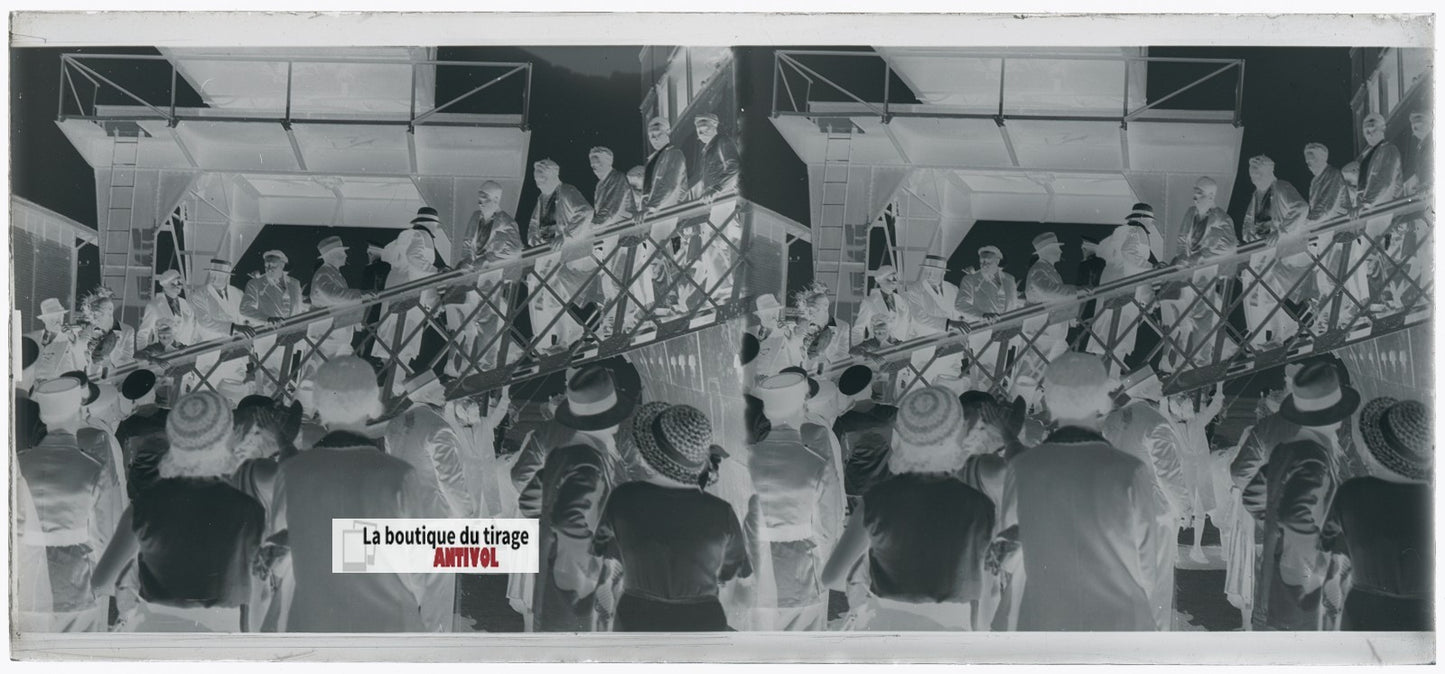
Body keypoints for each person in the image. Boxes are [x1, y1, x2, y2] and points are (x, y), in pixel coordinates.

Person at [263, 355, 448, 632]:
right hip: (384, 624)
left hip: (313, 623)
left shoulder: (294, 471)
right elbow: (418, 573)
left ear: (319, 407)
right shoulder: (399, 475)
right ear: (374, 406)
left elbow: (277, 557)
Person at [1000, 353, 1164, 630]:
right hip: (1115, 621)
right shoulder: (1131, 471)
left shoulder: (1022, 468)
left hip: (1046, 622)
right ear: (1103, 401)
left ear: (1049, 403)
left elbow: (1008, 555)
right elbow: (1147, 567)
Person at [90, 391, 264, 632]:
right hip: (218, 634)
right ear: (225, 440)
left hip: (152, 629)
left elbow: (101, 583)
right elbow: (255, 600)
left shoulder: (145, 504)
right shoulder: (248, 509)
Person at [823, 386, 994, 631]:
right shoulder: (978, 505)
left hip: (887, 627)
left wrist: (869, 586)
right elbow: (986, 595)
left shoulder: (877, 499)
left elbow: (832, 577)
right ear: (957, 435)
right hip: (948, 631)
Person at [591, 403, 751, 631]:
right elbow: (734, 583)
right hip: (702, 625)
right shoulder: (721, 512)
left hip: (637, 622)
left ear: (649, 456)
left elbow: (603, 560)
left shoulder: (622, 498)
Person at [1241, 361, 1359, 631]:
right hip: (1303, 586)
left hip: (1276, 576)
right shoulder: (1315, 456)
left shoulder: (1288, 449)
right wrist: (1321, 567)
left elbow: (1252, 496)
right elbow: (1295, 514)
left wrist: (1276, 528)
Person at [519, 364, 635, 632]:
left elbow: (528, 502)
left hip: (550, 579)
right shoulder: (590, 462)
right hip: (577, 590)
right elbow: (568, 519)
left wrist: (552, 535)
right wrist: (595, 573)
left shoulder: (563, 453)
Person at [15, 377, 123, 632]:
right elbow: (104, 538)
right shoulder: (93, 469)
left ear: (43, 417)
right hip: (76, 584)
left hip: (26, 582)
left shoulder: (19, 464)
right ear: (78, 413)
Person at [1321, 397, 1431, 631]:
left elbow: (1328, 546)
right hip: (1424, 618)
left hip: (1364, 615)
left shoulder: (1351, 492)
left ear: (1378, 450)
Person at [748, 371, 845, 631]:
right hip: (800, 574)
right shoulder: (817, 464)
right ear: (800, 408)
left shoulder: (741, 458)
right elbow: (827, 532)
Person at [1101, 366, 1190, 630]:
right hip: (1153, 512)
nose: (1162, 387)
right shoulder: (1155, 422)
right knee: (1156, 583)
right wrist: (1184, 508)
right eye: (1157, 384)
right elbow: (1168, 474)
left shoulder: (1111, 422)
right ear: (1148, 390)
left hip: (1117, 510)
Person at [1163, 177, 1239, 370]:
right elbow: (1182, 238)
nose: (1194, 197)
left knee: (1202, 313)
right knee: (1188, 313)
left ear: (1210, 196)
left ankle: (1201, 358)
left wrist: (1203, 255)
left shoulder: (1221, 217)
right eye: (1195, 192)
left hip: (1206, 269)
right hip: (1188, 270)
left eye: (1199, 193)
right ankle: (1190, 358)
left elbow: (1230, 244)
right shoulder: (1191, 212)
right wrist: (1182, 256)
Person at [1240, 155, 1310, 348]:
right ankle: (1283, 330)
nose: (1254, 177)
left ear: (1269, 171)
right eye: (1252, 173)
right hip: (1261, 250)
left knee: (1269, 290)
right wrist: (1248, 233)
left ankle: (1278, 336)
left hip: (1277, 248)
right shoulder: (1256, 194)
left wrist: (1280, 231)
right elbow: (1249, 220)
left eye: (1258, 173)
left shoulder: (1281, 187)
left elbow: (1301, 207)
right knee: (1257, 293)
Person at [527, 158, 595, 354]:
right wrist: (533, 237)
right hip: (545, 254)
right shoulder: (542, 198)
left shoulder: (566, 191)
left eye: (541, 178)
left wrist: (565, 235)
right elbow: (534, 223)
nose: (538, 183)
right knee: (541, 297)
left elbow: (585, 211)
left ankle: (564, 340)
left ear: (553, 175)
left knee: (553, 295)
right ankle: (567, 334)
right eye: (536, 179)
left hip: (562, 253)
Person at [456, 181, 525, 373]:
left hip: (491, 274)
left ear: (496, 199)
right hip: (472, 274)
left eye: (484, 196)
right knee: (471, 316)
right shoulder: (475, 216)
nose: (480, 200)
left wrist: (488, 259)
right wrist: (466, 259)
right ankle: (472, 362)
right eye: (480, 195)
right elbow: (467, 242)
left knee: (487, 317)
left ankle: (487, 363)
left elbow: (515, 250)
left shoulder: (506, 221)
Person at [1300, 143, 1370, 334]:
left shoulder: (1332, 175)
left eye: (1312, 158)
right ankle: (1331, 319)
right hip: (1327, 235)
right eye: (1307, 159)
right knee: (1328, 278)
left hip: (1341, 235)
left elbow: (1326, 208)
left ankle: (1343, 318)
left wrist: (1304, 225)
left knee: (1337, 277)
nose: (1308, 162)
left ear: (1323, 157)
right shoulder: (1315, 181)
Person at [1165, 383, 1227, 565]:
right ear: (1179, 409)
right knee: (1179, 511)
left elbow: (1214, 407)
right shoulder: (1172, 424)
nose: (1191, 408)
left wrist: (1220, 387)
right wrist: (1164, 395)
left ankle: (1196, 549)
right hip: (1184, 473)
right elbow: (1163, 411)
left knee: (1200, 511)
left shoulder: (1198, 420)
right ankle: (1173, 550)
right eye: (1188, 406)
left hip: (1202, 470)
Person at [1086, 215, 1156, 376]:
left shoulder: (1115, 236)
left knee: (1103, 340)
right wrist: (1152, 269)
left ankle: (1102, 380)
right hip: (1126, 294)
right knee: (1119, 339)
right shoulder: (1138, 231)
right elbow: (1133, 260)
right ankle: (1110, 381)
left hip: (1108, 290)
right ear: (1144, 219)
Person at [1020, 233, 1086, 382]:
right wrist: (1077, 291)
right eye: (1057, 248)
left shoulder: (1047, 269)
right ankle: (1024, 396)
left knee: (1058, 370)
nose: (1060, 251)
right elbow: (1049, 291)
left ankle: (1045, 394)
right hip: (1042, 330)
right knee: (1032, 373)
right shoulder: (1038, 269)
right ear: (1048, 250)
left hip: (1052, 330)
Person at [955, 245, 1021, 390]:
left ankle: (995, 399)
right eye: (981, 261)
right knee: (979, 378)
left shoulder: (1010, 280)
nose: (983, 264)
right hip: (981, 337)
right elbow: (960, 304)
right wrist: (982, 315)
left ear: (998, 261)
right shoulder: (970, 279)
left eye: (988, 261)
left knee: (1000, 377)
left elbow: (1014, 305)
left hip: (1006, 337)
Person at [241, 250, 306, 394]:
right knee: (266, 385)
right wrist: (267, 319)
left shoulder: (295, 284)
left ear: (283, 265)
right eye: (266, 265)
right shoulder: (255, 283)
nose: (269, 268)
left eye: (273, 265)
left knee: (284, 384)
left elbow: (299, 310)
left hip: (290, 342)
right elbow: (245, 308)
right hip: (267, 342)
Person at [190, 258, 257, 394]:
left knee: (234, 393)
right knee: (206, 392)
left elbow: (246, 320)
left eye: (218, 274)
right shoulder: (199, 294)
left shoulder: (238, 293)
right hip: (210, 350)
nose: (214, 277)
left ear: (227, 276)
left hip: (236, 351)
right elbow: (205, 321)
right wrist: (234, 327)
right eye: (212, 273)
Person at [833, 364, 898, 500]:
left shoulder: (842, 422)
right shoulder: (889, 414)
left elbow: (838, 458)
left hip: (855, 487)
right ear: (869, 387)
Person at [902, 254, 964, 393]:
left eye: (933, 271)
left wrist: (960, 323)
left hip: (950, 346)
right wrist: (949, 323)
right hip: (925, 345)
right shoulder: (915, 289)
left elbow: (960, 313)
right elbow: (920, 316)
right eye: (927, 271)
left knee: (947, 387)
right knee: (920, 386)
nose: (929, 274)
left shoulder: (953, 289)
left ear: (943, 272)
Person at [307, 236, 373, 364]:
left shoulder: (332, 273)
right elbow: (334, 295)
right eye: (342, 252)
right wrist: (360, 295)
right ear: (333, 255)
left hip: (335, 334)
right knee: (320, 370)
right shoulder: (323, 273)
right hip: (327, 336)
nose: (346, 256)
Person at [851, 264, 914, 353]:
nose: (895, 281)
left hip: (899, 351)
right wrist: (860, 353)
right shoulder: (869, 302)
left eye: (896, 278)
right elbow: (858, 329)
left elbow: (908, 325)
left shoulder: (902, 301)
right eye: (891, 278)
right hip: (877, 351)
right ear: (880, 280)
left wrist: (906, 348)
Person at [793, 282, 851, 374]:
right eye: (808, 310)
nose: (810, 314)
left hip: (830, 374)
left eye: (813, 310)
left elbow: (843, 358)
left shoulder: (843, 327)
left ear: (825, 308)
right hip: (806, 374)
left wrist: (825, 357)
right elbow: (796, 353)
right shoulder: (804, 324)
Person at [77, 288, 137, 377]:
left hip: (115, 378)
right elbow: (80, 347)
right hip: (93, 377)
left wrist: (109, 360)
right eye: (92, 314)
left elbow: (128, 361)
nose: (94, 318)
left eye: (98, 314)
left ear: (110, 311)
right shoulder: (91, 329)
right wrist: (87, 349)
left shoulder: (127, 331)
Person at [28, 297, 85, 383]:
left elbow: (80, 355)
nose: (59, 321)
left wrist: (71, 336)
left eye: (61, 316)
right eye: (53, 318)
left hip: (64, 385)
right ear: (44, 320)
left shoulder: (70, 336)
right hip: (39, 387)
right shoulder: (35, 338)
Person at [1355, 113, 1404, 211]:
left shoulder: (1388, 150)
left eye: (1373, 129)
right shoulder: (1364, 157)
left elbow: (1384, 179)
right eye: (1366, 131)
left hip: (1385, 208)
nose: (1369, 133)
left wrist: (1367, 203)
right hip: (1367, 209)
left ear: (1382, 129)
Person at [138, 269, 197, 349]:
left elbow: (192, 330)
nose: (179, 285)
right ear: (165, 285)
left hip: (185, 352)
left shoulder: (186, 304)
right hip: (164, 353)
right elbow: (143, 334)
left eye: (180, 281)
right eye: (175, 282)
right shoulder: (154, 306)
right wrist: (143, 354)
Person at [1403, 108, 1432, 196]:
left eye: (1419, 123)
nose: (1414, 127)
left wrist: (1426, 185)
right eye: (1413, 124)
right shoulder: (1421, 145)